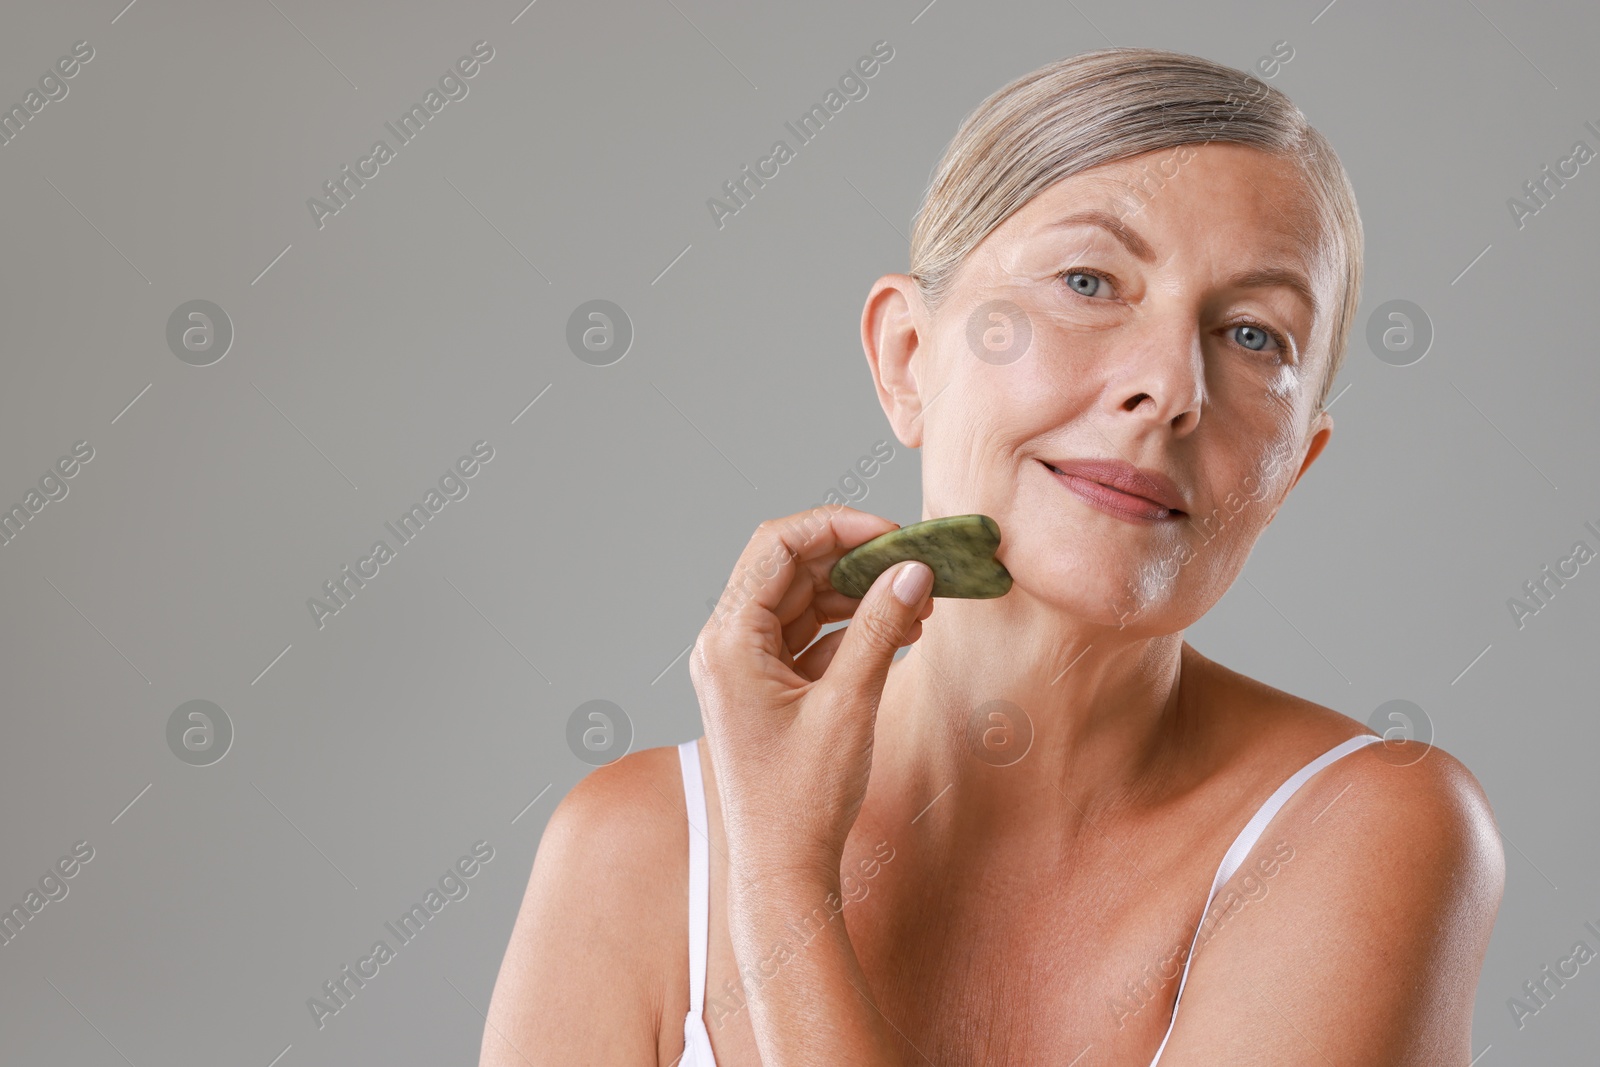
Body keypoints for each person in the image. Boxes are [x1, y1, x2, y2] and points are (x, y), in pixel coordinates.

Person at [480, 47, 1504, 1065]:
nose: (1167, 384)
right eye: (1089, 279)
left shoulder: (1366, 829)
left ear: (1292, 469)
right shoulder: (632, 848)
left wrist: (780, 883)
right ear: (907, 359)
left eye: (1252, 336)